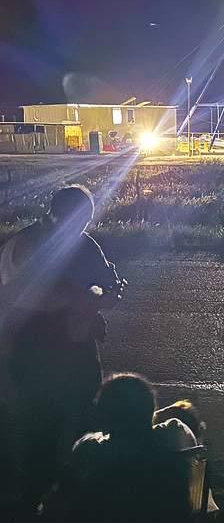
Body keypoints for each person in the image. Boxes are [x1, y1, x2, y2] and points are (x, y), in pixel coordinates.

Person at [0, 185, 125, 514]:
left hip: (77, 347)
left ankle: (74, 497)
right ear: (55, 215)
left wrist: (109, 293)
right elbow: (25, 297)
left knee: (84, 418)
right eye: (76, 220)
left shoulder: (86, 244)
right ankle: (32, 501)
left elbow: (105, 281)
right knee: (40, 428)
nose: (81, 227)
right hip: (32, 350)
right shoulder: (25, 245)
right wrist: (85, 299)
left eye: (85, 220)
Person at [50, 373, 199, 523]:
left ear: (103, 416)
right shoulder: (173, 439)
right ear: (150, 410)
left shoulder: (92, 451)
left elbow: (58, 505)